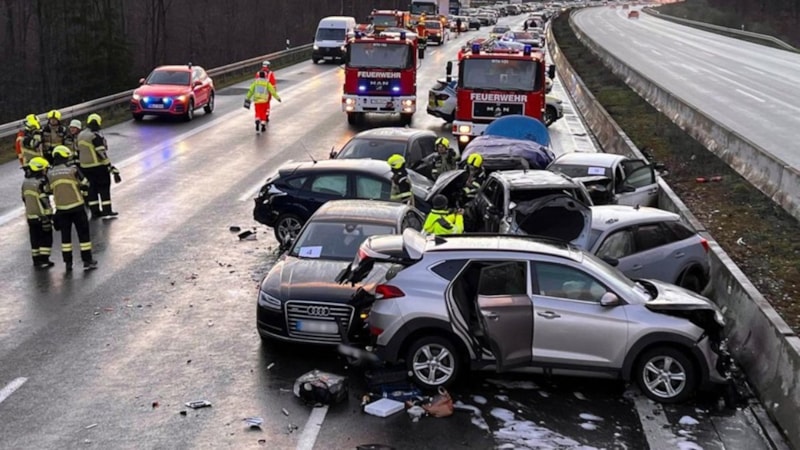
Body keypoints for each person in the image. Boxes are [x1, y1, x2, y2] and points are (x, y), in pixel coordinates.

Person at [48, 146, 97, 271]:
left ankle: (68, 263)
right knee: (83, 235)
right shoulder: (73, 170)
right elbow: (86, 184)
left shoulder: (49, 173)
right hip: (77, 207)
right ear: (65, 157)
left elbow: (47, 190)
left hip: (61, 209)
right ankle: (87, 260)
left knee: (66, 238)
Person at [78, 113, 120, 219]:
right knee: (104, 188)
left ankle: (95, 212)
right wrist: (109, 166)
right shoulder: (95, 136)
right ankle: (107, 211)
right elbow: (101, 153)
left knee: (91, 190)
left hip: (85, 167)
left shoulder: (81, 135)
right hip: (98, 167)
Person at [21, 157, 55, 268]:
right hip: (42, 216)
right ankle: (44, 259)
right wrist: (48, 215)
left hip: (31, 216)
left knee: (34, 238)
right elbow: (44, 200)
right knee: (46, 237)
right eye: (45, 169)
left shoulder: (25, 183)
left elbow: (24, 198)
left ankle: (36, 260)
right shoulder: (41, 182)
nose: (46, 171)